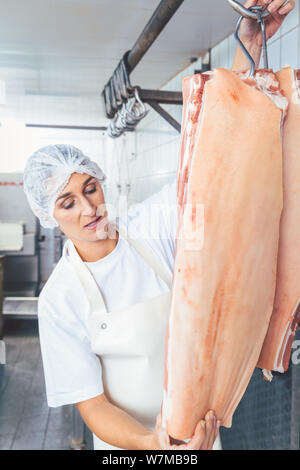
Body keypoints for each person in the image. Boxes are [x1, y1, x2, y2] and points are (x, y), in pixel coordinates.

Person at [23, 0, 295, 450]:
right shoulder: (59, 299)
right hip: (133, 446)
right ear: (50, 216)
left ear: (101, 182)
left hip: (201, 432)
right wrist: (154, 444)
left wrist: (248, 43)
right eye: (67, 203)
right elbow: (93, 407)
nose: (88, 209)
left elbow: (219, 161)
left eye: (90, 189)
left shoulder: (153, 225)